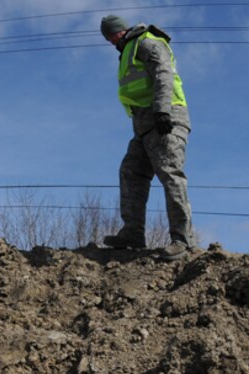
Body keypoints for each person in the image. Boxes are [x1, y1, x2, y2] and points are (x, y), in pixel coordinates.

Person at [100, 14, 195, 261]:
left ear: (122, 30)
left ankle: (182, 239)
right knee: (130, 171)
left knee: (170, 172)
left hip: (165, 118)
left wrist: (162, 111)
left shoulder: (147, 43)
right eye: (108, 38)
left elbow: (163, 73)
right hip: (143, 127)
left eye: (112, 35)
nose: (111, 41)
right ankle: (133, 233)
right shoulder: (128, 51)